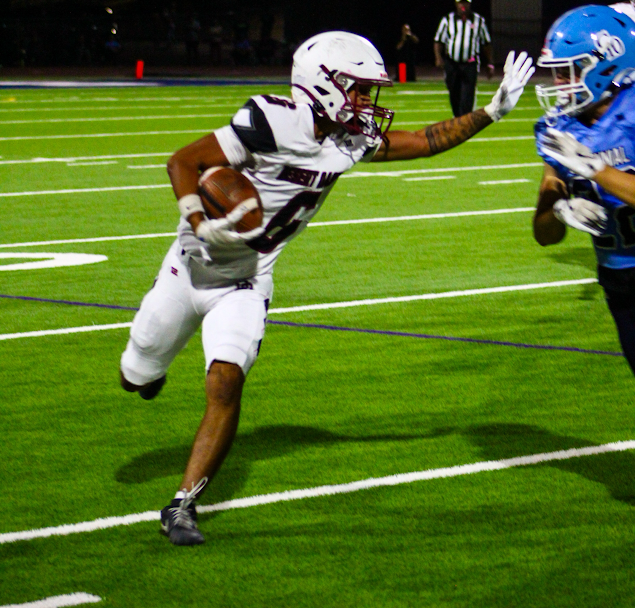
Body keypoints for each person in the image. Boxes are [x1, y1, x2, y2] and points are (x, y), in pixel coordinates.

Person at [120, 31, 534, 546]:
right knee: (136, 374)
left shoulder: (349, 139)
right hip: (189, 268)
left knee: (226, 380)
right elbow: (183, 162)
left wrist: (489, 112)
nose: (367, 102)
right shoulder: (272, 119)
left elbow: (425, 140)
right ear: (325, 84)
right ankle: (148, 371)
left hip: (247, 280)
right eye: (358, 89)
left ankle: (183, 505)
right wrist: (201, 220)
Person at [533, 4, 635, 388]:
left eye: (569, 70)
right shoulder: (560, 128)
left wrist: (595, 169)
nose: (560, 83)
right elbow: (545, 236)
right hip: (616, 281)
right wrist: (557, 207)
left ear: (606, 63)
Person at [434, 0, 495, 116]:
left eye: (466, 2)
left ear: (470, 4)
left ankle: (464, 120)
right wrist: (438, 57)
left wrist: (490, 63)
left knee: (467, 96)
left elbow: (486, 43)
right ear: (456, 4)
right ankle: (458, 118)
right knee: (454, 94)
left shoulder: (479, 21)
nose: (463, 5)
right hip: (452, 64)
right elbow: (438, 41)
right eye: (461, 2)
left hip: (470, 64)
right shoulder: (447, 20)